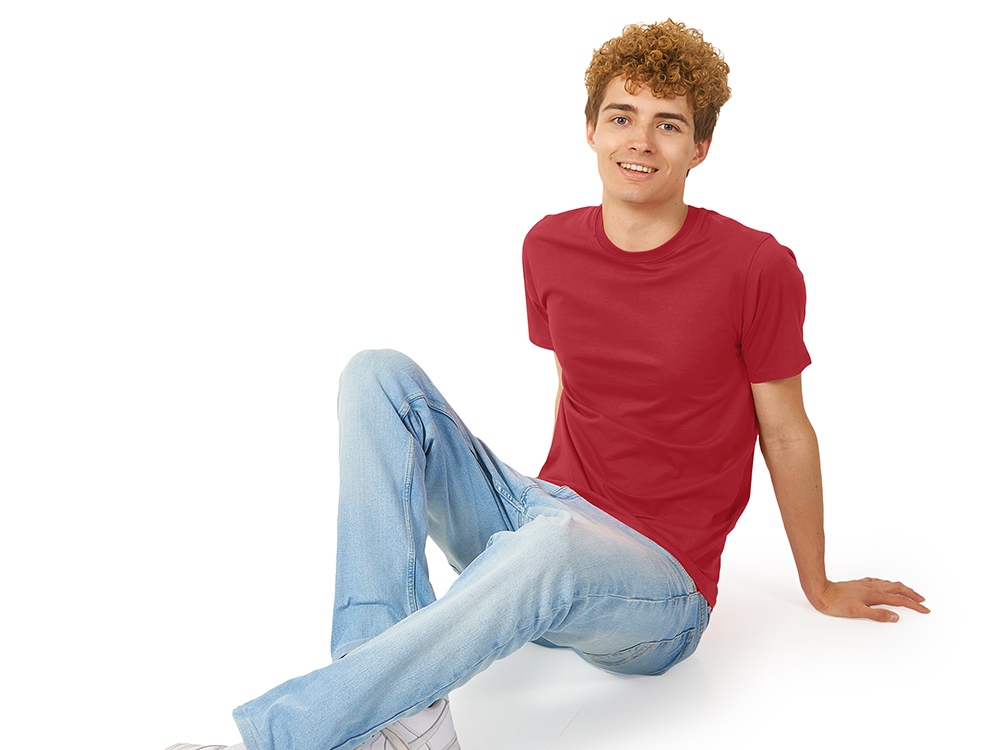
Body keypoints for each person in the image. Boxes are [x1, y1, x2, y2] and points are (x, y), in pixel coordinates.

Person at [168, 18, 929, 750]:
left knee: (555, 543)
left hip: (659, 588)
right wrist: (529, 515)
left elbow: (787, 431)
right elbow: (575, 388)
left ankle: (287, 737)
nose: (640, 140)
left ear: (700, 147)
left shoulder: (756, 266)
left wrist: (819, 584)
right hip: (544, 518)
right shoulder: (548, 245)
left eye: (667, 124)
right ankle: (406, 718)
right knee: (376, 375)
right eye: (621, 116)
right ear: (591, 129)